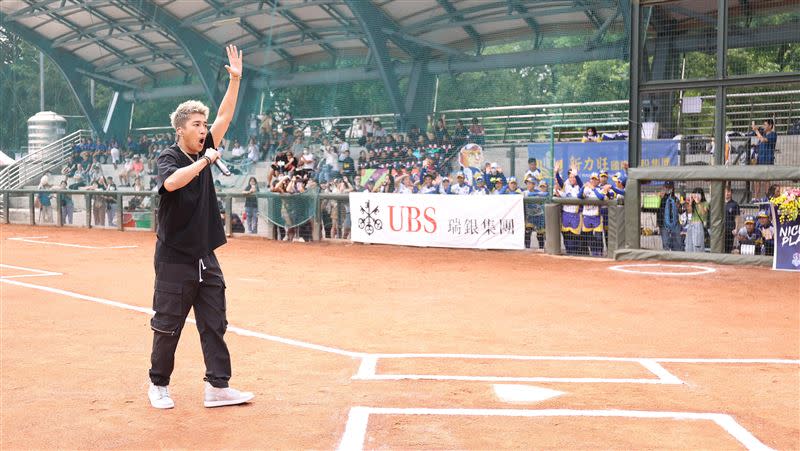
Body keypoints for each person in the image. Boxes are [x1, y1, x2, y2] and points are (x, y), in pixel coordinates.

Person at [148, 45, 253, 410]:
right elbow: (172, 183)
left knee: (214, 322)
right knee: (167, 324)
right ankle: (159, 384)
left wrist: (235, 79)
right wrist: (204, 161)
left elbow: (225, 114)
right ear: (180, 130)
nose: (204, 130)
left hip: (204, 254)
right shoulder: (170, 157)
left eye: (204, 125)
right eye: (196, 125)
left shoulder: (206, 146)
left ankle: (218, 387)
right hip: (175, 256)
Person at [684, 187, 709, 253]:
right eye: (695, 194)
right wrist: (691, 202)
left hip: (699, 225)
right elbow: (689, 212)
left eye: (698, 194)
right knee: (689, 245)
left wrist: (698, 202)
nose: (696, 196)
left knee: (698, 245)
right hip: (691, 225)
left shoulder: (705, 203)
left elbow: (704, 213)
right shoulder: (692, 203)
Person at [723, 187, 740, 253]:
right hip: (720, 230)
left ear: (731, 193)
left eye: (728, 192)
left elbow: (737, 217)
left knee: (728, 249)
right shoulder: (720, 203)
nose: (727, 193)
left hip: (730, 230)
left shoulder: (735, 204)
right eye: (725, 192)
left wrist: (736, 228)